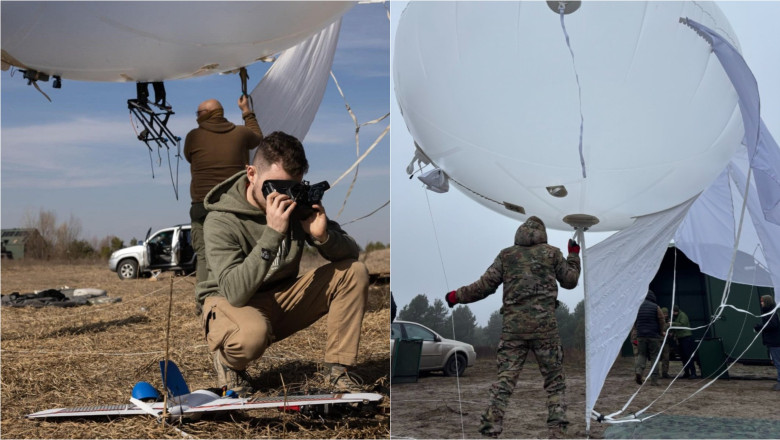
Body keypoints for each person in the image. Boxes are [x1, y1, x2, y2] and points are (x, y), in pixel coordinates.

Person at [196, 131, 369, 395]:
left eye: (291, 188)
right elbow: (235, 291)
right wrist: (273, 233)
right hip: (230, 303)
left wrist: (323, 236)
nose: (282, 197)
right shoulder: (221, 220)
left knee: (353, 272)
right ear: (251, 174)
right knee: (252, 332)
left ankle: (339, 370)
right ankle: (228, 364)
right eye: (273, 187)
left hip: (279, 300)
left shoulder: (295, 203)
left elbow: (351, 254)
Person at [444, 216, 581, 438]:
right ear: (542, 233)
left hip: (513, 331)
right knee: (555, 384)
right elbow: (570, 280)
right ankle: (557, 432)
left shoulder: (506, 255)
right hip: (545, 329)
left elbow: (484, 286)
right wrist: (573, 255)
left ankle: (490, 429)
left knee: (505, 381)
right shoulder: (552, 253)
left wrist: (456, 296)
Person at [184, 96, 263, 290]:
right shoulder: (241, 134)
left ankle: (205, 305)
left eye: (198, 113)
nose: (196, 117)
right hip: (233, 205)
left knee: (203, 257)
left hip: (201, 206)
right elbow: (257, 137)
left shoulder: (193, 136)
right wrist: (246, 110)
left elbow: (188, 157)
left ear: (205, 114)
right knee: (239, 253)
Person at [633, 290, 665, 386]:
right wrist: (661, 331)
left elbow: (634, 320)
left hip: (641, 336)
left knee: (641, 355)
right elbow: (662, 319)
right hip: (653, 336)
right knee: (654, 357)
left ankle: (639, 372)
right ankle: (654, 380)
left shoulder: (638, 307)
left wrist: (637, 329)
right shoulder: (656, 307)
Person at [754, 295, 780, 390]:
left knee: (778, 363)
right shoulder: (769, 312)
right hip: (773, 342)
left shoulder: (771, 313)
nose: (761, 303)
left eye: (762, 302)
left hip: (775, 343)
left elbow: (773, 325)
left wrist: (760, 327)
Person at [671, 305, 698, 378]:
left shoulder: (683, 315)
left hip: (686, 338)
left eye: (674, 311)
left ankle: (693, 373)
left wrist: (671, 324)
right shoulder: (676, 317)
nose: (673, 313)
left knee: (688, 355)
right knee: (683, 356)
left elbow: (682, 325)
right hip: (680, 338)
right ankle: (686, 372)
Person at [660, 307, 672, 379]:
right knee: (656, 358)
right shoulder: (658, 320)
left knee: (666, 358)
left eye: (666, 314)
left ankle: (665, 372)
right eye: (664, 313)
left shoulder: (669, 321)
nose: (665, 315)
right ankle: (655, 373)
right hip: (659, 341)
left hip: (666, 342)